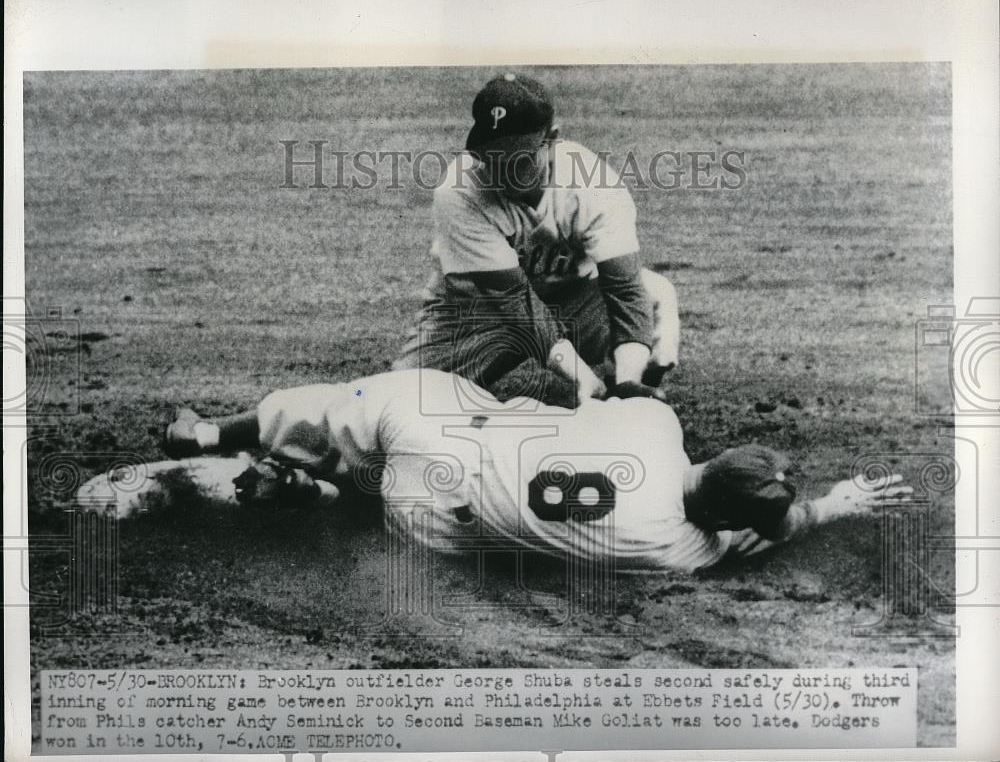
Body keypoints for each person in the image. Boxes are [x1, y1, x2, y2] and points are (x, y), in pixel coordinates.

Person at [165, 369, 911, 572]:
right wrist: (838, 503)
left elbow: (620, 395)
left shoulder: (656, 426)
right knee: (397, 507)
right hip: (431, 523)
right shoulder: (682, 552)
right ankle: (327, 497)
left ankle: (208, 435)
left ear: (713, 459)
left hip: (436, 424)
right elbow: (776, 530)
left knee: (336, 407)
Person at [392, 73, 680, 407]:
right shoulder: (459, 189)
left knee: (655, 295)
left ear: (552, 139)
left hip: (574, 303)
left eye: (520, 159)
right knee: (401, 401)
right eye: (493, 157)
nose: (504, 171)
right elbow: (513, 300)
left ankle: (633, 395)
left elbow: (625, 289)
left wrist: (626, 387)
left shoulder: (591, 181)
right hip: (475, 313)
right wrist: (583, 380)